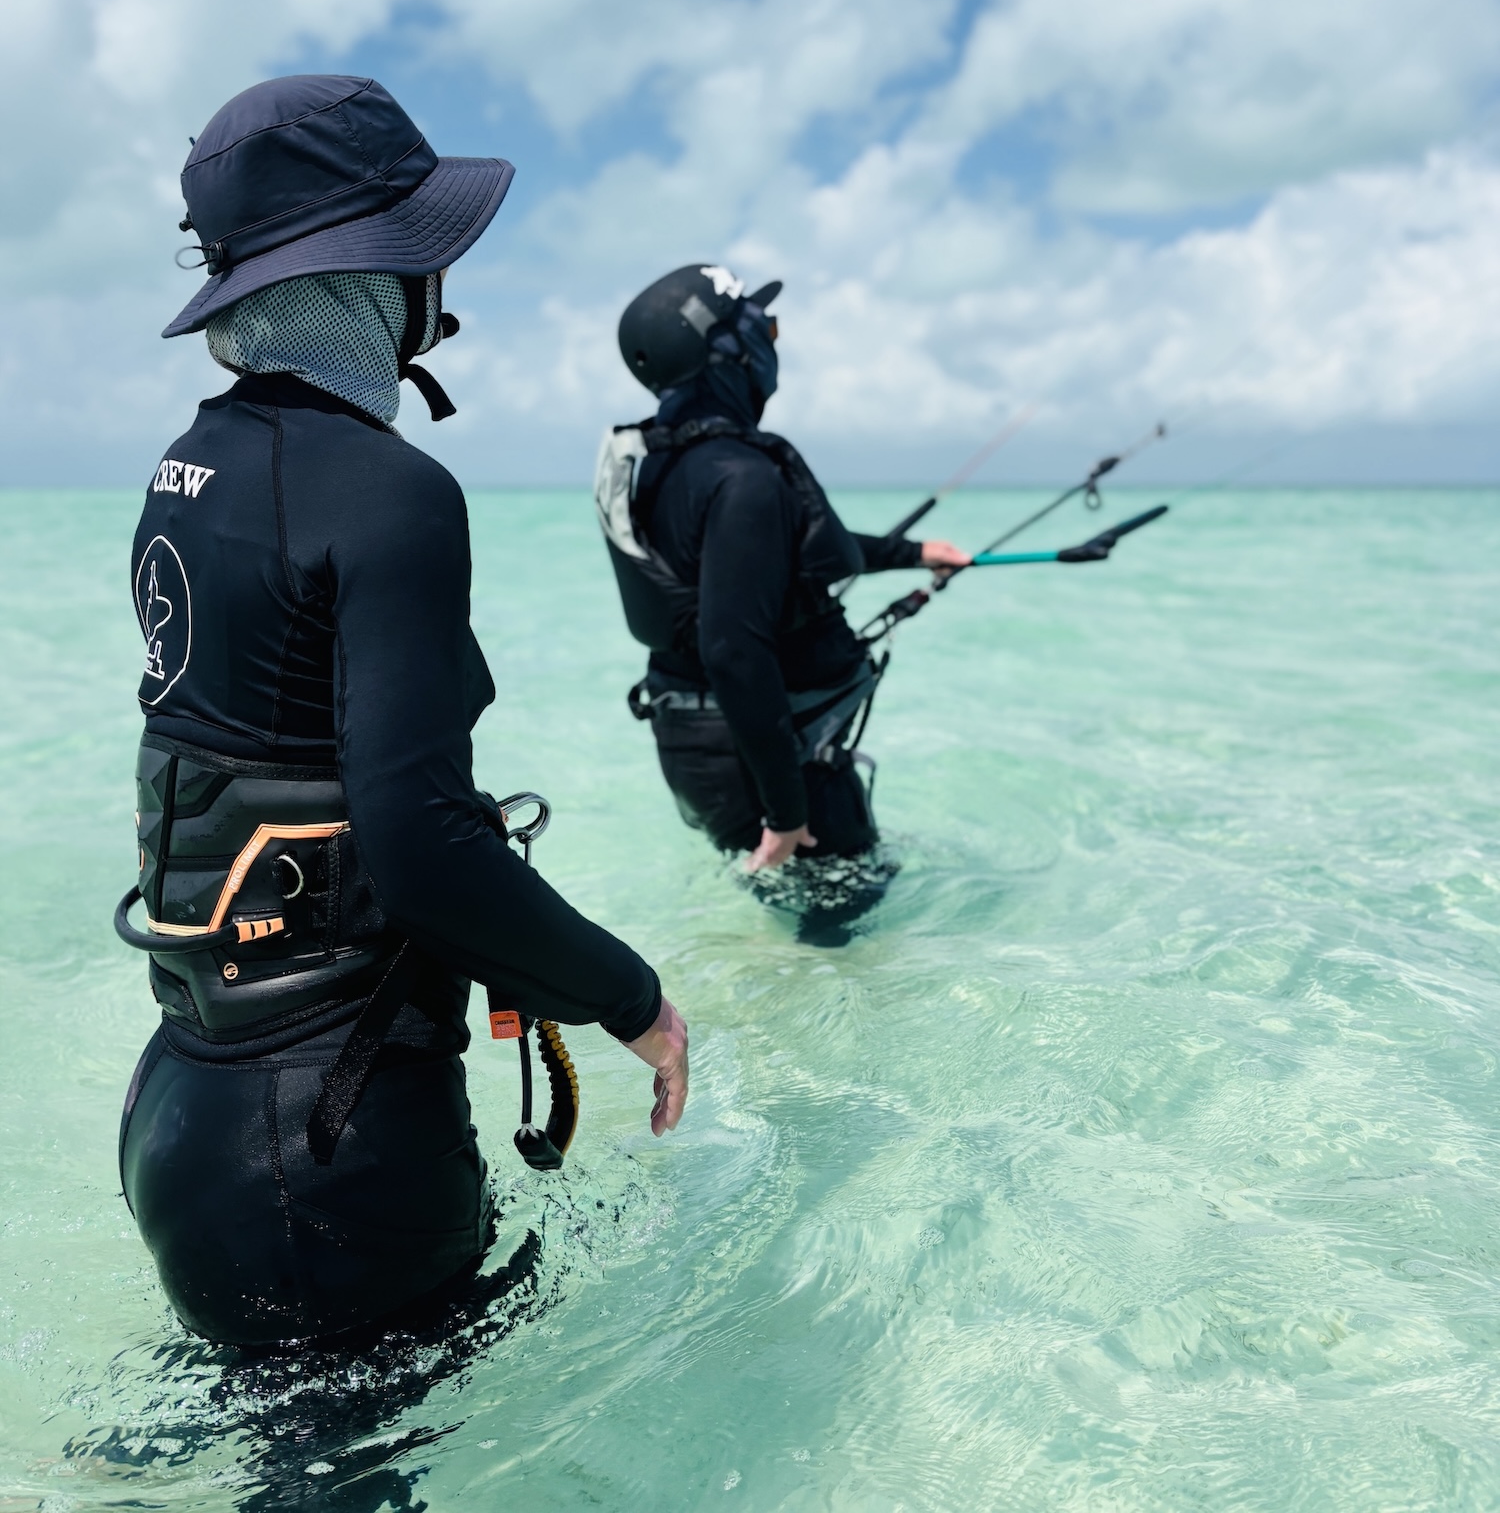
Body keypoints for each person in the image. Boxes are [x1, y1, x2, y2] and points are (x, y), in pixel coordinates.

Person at [116, 74, 688, 1348]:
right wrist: (632, 996)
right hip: (330, 1140)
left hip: (184, 1106)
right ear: (367, 279)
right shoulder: (393, 491)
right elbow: (421, 845)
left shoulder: (182, 471)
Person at [595, 264, 970, 873]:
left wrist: (916, 554)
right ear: (727, 349)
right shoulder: (745, 477)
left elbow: (775, 557)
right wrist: (786, 814)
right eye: (765, 327)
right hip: (765, 761)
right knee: (850, 939)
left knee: (806, 925)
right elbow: (734, 651)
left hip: (699, 741)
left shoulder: (667, 466)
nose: (772, 341)